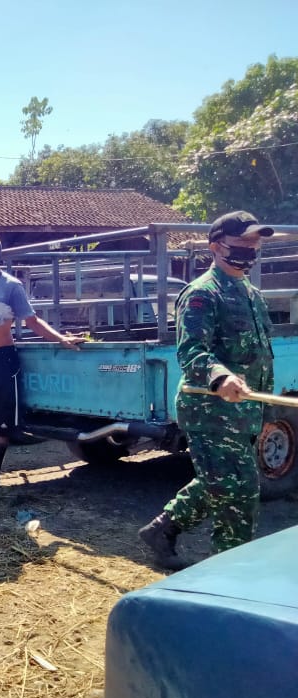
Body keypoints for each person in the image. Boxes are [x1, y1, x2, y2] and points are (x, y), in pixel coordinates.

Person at [138, 211, 275, 570]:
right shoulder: (202, 293)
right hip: (210, 410)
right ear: (215, 246)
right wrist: (220, 377)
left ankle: (163, 529)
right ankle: (228, 573)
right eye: (241, 242)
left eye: (254, 242)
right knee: (239, 492)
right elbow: (191, 350)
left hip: (245, 411)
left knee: (219, 480)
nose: (250, 248)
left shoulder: (252, 294)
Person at [0, 233, 83, 494]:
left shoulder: (11, 287)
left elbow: (31, 320)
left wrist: (61, 339)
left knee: (0, 420)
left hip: (2, 358)